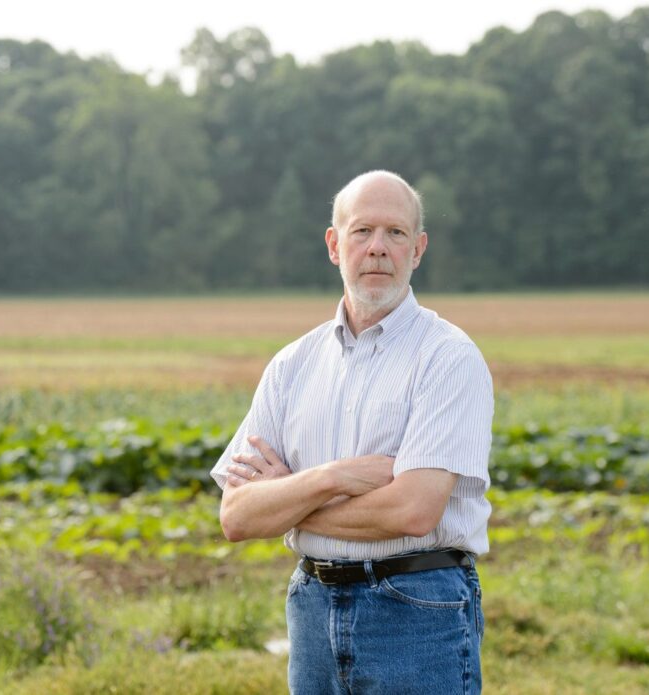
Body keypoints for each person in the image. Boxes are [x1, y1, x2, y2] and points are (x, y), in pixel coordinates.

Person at [209, 170, 493, 694]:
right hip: (313, 607)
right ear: (335, 245)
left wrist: (289, 499)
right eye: (362, 232)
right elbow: (237, 515)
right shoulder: (293, 365)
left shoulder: (448, 359)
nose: (378, 248)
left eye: (396, 233)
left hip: (417, 608)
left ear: (419, 249)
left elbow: (413, 510)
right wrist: (331, 477)